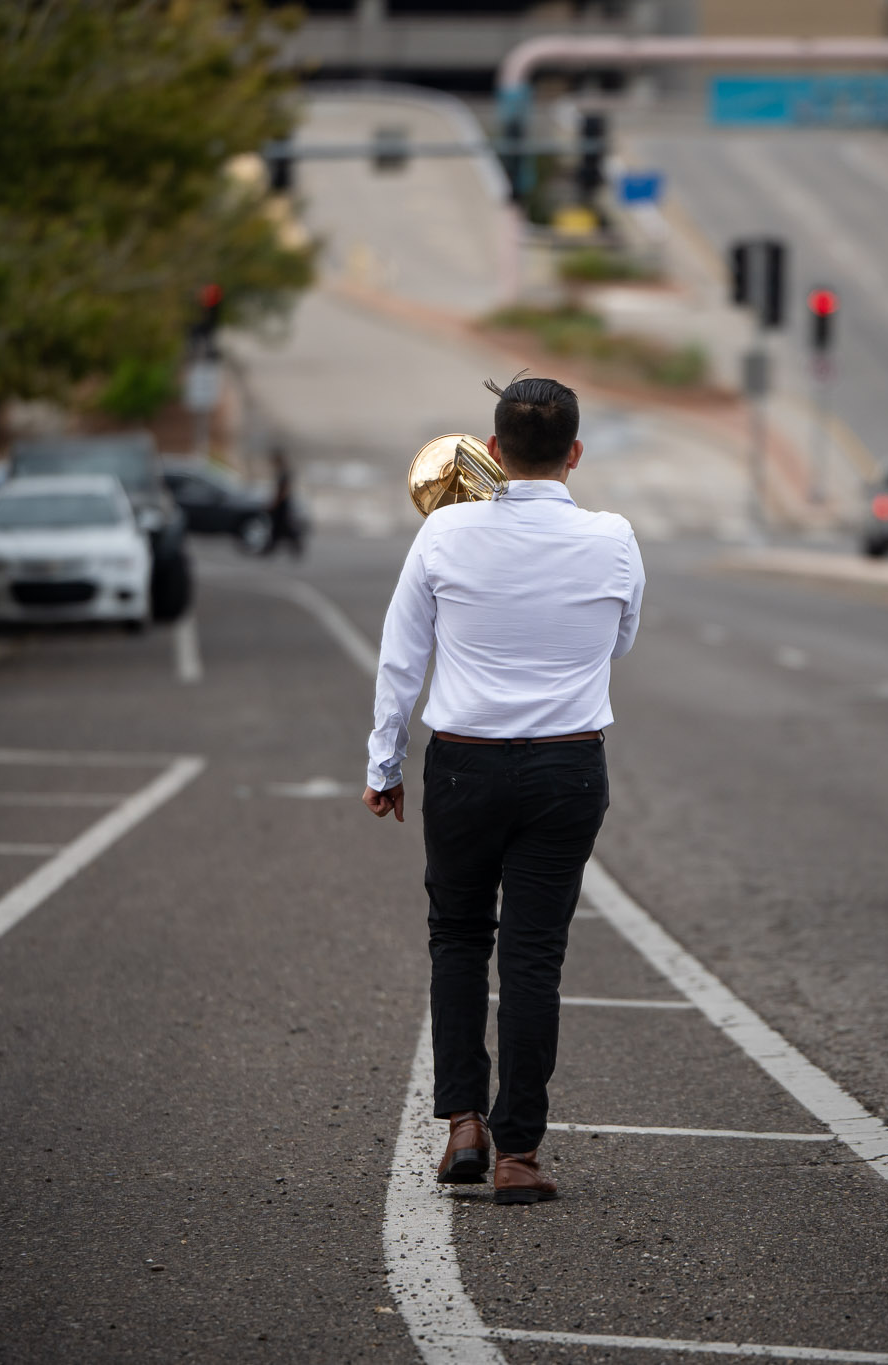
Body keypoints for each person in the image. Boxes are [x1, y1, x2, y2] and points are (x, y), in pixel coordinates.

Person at [363, 375, 644, 1205]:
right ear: (576, 454)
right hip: (566, 766)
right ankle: (519, 1152)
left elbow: (400, 657)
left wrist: (384, 765)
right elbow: (620, 641)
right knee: (532, 957)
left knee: (457, 940)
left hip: (463, 764)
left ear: (491, 451)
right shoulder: (615, 537)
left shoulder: (443, 532)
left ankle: (462, 1127)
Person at [266, 449, 303, 558]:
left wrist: (276, 503)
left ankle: (294, 544)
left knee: (283, 526)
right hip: (282, 503)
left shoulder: (285, 472)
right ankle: (271, 547)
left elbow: (284, 490)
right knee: (278, 527)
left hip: (283, 504)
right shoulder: (282, 471)